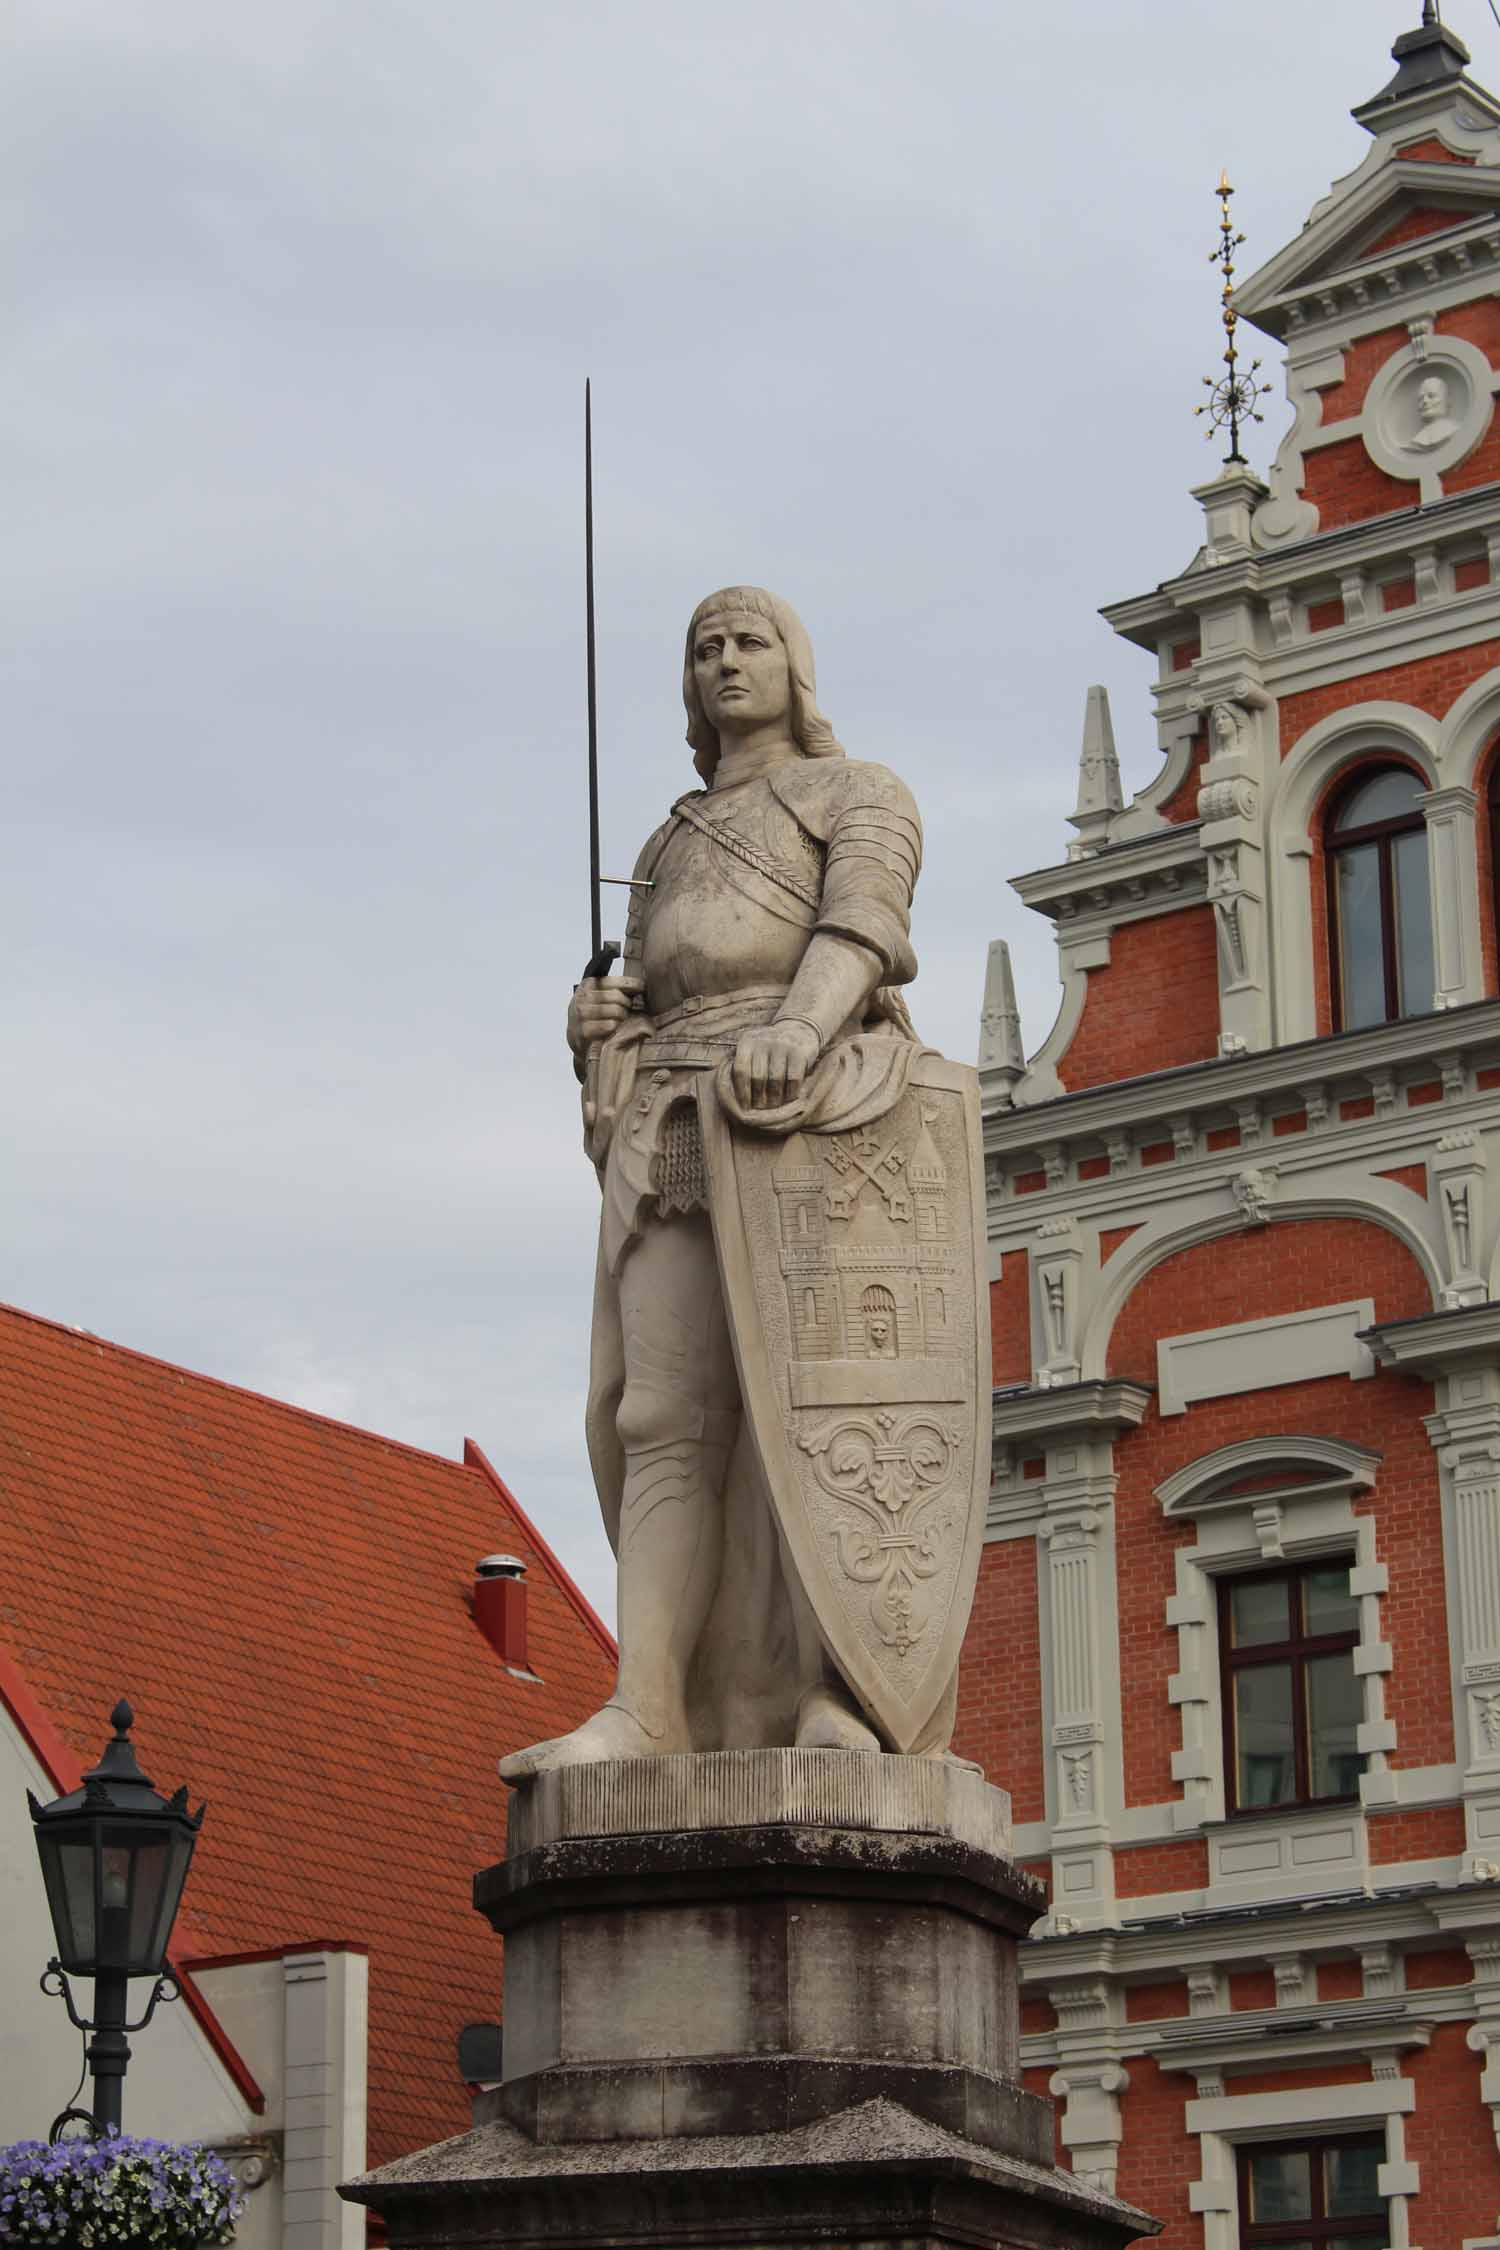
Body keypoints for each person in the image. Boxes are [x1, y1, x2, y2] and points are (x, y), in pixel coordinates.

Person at [499, 586, 948, 1781]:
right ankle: (647, 1704)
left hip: (806, 1116)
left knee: (813, 1418)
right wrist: (595, 1024)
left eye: (749, 642)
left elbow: (866, 926)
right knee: (663, 1421)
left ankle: (843, 1687)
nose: (725, 662)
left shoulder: (863, 795)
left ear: (797, 666)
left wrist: (800, 1030)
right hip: (670, 1118)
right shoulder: (667, 838)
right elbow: (640, 998)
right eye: (705, 649)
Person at [1406, 372, 1459, 450]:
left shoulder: (1455, 430)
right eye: (1420, 398)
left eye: (1431, 396)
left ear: (1447, 400)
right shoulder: (1417, 439)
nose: (1424, 401)